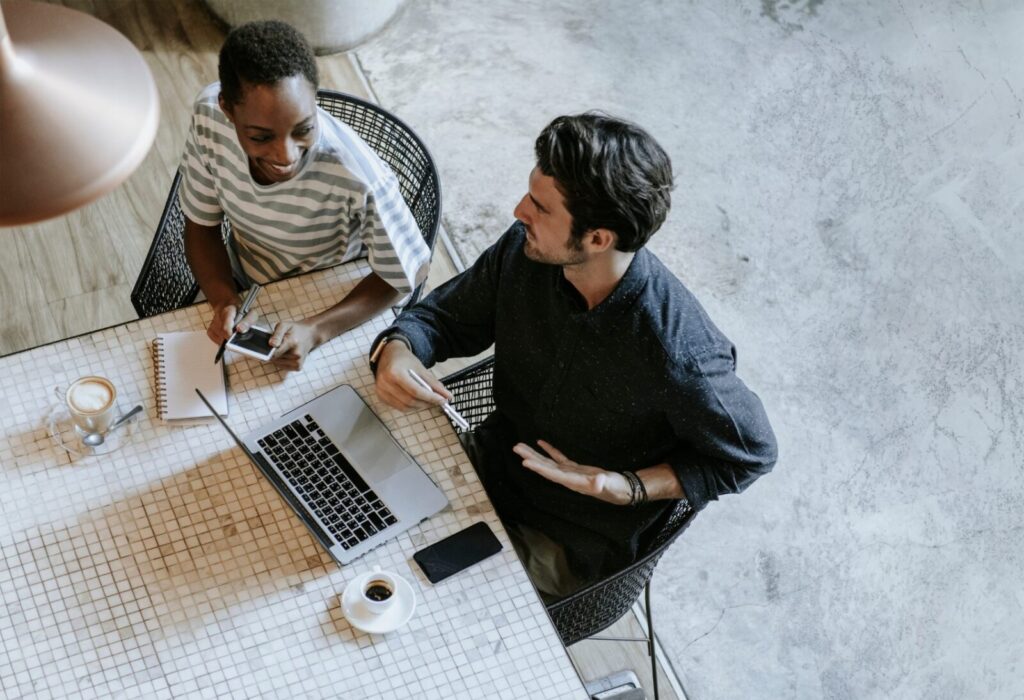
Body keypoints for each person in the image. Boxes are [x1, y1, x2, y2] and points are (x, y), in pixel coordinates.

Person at [371, 113, 778, 599]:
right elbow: (444, 318)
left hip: (569, 536)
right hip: (488, 466)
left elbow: (752, 456)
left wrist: (625, 487)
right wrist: (399, 348)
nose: (519, 211)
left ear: (598, 239)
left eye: (540, 208)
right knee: (360, 532)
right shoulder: (526, 250)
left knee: (429, 607)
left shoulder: (681, 354)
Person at [178, 21, 429, 371]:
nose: (286, 156)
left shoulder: (360, 177)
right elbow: (201, 227)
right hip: (246, 288)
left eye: (304, 129)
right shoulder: (209, 117)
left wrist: (316, 330)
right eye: (261, 137)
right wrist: (223, 300)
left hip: (331, 302)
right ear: (227, 110)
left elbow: (408, 273)